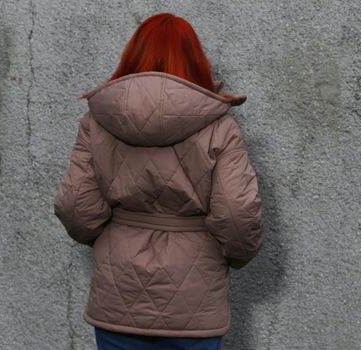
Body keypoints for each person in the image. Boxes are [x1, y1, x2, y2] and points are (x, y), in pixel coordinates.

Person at [53, 12, 265, 350]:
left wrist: (112, 239)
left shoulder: (97, 122)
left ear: (132, 56)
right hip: (194, 302)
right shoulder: (219, 127)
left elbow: (74, 205)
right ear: (195, 60)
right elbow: (238, 213)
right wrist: (235, 257)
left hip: (119, 300)